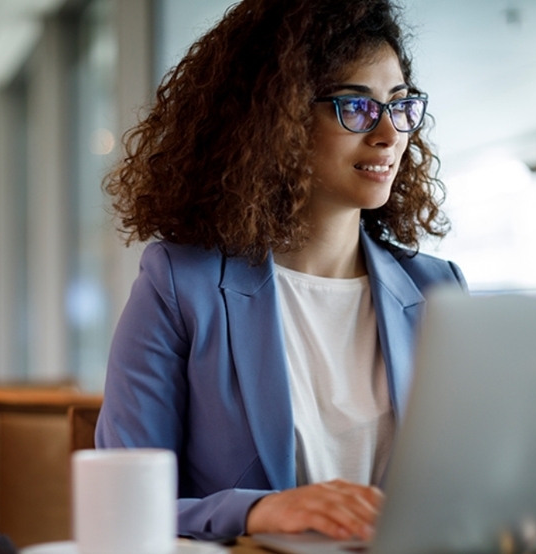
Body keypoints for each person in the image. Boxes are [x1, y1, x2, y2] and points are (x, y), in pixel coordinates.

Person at [95, 0, 467, 542]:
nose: (390, 134)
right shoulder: (181, 285)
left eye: (400, 104)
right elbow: (120, 506)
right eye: (355, 107)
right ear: (279, 119)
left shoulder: (439, 290)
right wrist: (256, 512)